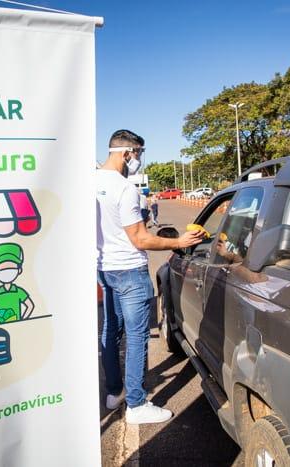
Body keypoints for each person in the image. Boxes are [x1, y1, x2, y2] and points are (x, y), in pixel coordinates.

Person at [96, 129, 204, 424]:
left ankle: (114, 392)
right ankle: (136, 404)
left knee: (110, 332)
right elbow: (141, 239)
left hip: (105, 269)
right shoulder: (124, 187)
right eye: (140, 154)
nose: (140, 160)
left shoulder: (89, 184)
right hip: (130, 269)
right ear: (128, 152)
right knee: (136, 337)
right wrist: (178, 243)